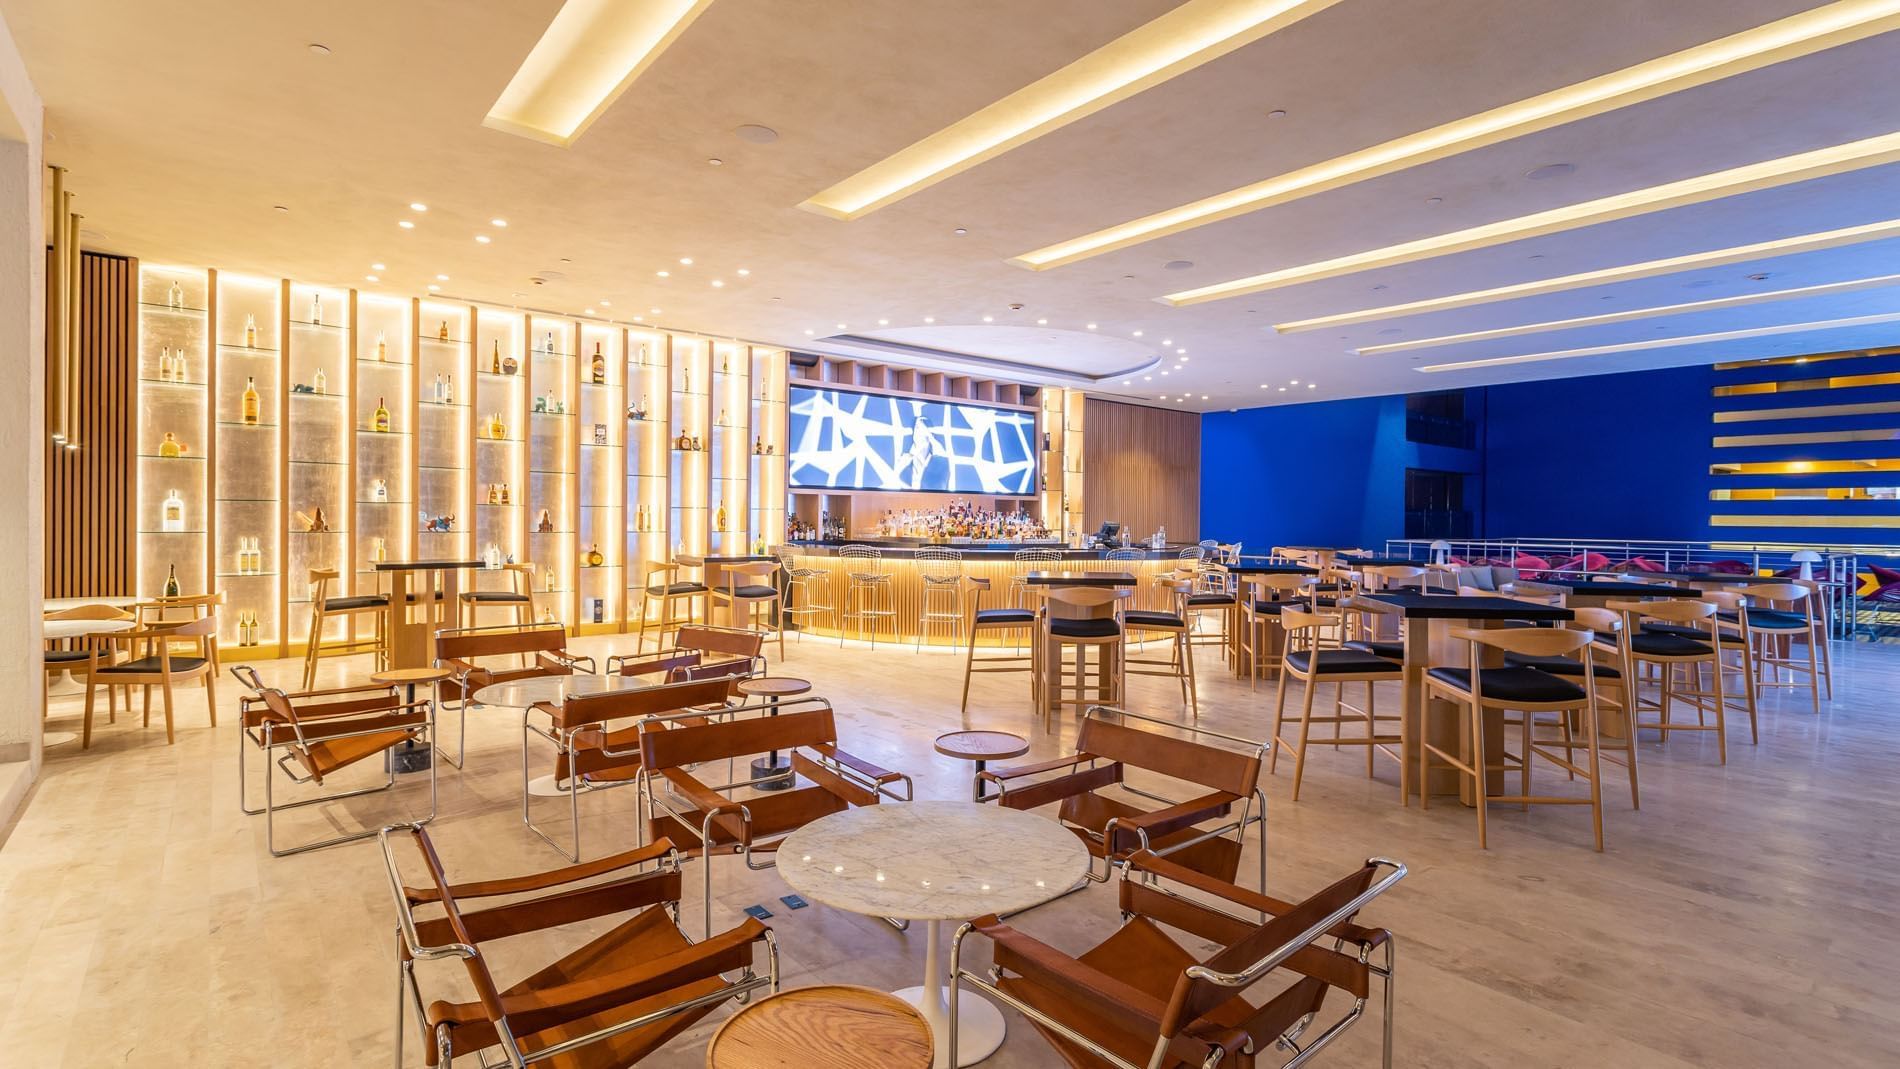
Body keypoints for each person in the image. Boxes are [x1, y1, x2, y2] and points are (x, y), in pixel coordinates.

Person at [905, 411, 938, 489]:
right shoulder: (905, 462)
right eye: (916, 427)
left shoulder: (939, 464)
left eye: (922, 428)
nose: (918, 432)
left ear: (931, 434)